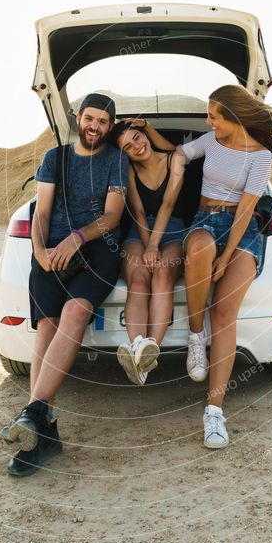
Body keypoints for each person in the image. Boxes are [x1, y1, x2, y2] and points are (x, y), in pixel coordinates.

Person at [179, 84, 272, 449]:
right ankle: (196, 337)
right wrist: (145, 142)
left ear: (233, 117)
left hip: (243, 230)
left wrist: (227, 260)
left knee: (225, 313)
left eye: (213, 116)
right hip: (204, 221)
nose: (208, 122)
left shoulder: (259, 157)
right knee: (199, 249)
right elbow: (177, 155)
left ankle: (214, 412)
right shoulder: (209, 142)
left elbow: (244, 211)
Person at [2, 93, 128, 476]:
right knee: (48, 325)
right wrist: (39, 250)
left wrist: (77, 237)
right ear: (77, 117)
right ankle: (42, 429)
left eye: (104, 122)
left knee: (76, 310)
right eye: (90, 118)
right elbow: (41, 212)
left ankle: (34, 418)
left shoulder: (115, 159)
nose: (95, 127)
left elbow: (112, 215)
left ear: (110, 127)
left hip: (98, 251)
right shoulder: (54, 158)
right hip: (51, 251)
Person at [109, 119, 185, 384]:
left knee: (162, 274)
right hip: (139, 230)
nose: (137, 147)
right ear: (125, 154)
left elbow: (168, 203)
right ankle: (138, 348)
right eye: (129, 146)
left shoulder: (175, 159)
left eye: (138, 138)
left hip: (175, 228)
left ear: (146, 134)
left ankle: (148, 357)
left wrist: (154, 245)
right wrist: (147, 243)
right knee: (139, 277)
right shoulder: (129, 170)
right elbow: (139, 211)